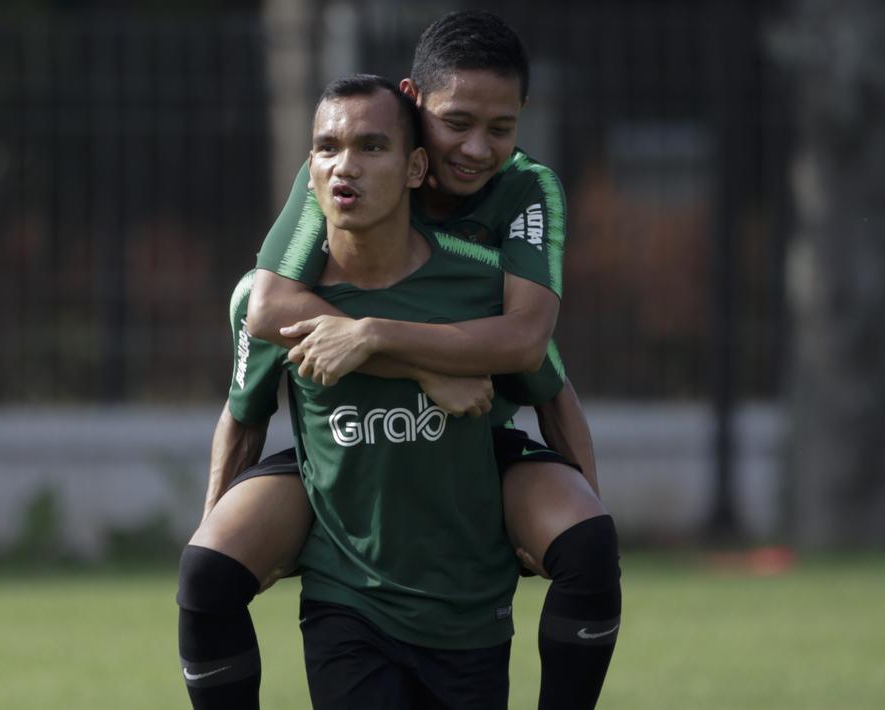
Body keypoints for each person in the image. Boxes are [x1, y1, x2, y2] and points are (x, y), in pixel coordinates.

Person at [178, 13, 619, 710]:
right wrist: (423, 368)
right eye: (456, 122)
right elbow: (265, 310)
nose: (476, 148)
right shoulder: (337, 168)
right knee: (206, 572)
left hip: (473, 439)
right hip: (345, 453)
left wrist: (379, 337)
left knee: (588, 543)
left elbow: (529, 348)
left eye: (499, 129)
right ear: (415, 105)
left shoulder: (520, 199)